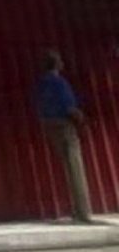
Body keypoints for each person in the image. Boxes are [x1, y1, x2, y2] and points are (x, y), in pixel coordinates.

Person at [35, 50, 92, 223]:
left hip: (50, 125)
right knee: (76, 167)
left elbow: (38, 105)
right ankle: (83, 212)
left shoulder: (41, 84)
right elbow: (69, 107)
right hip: (65, 125)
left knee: (68, 167)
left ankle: (76, 209)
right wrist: (82, 119)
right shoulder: (59, 83)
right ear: (56, 63)